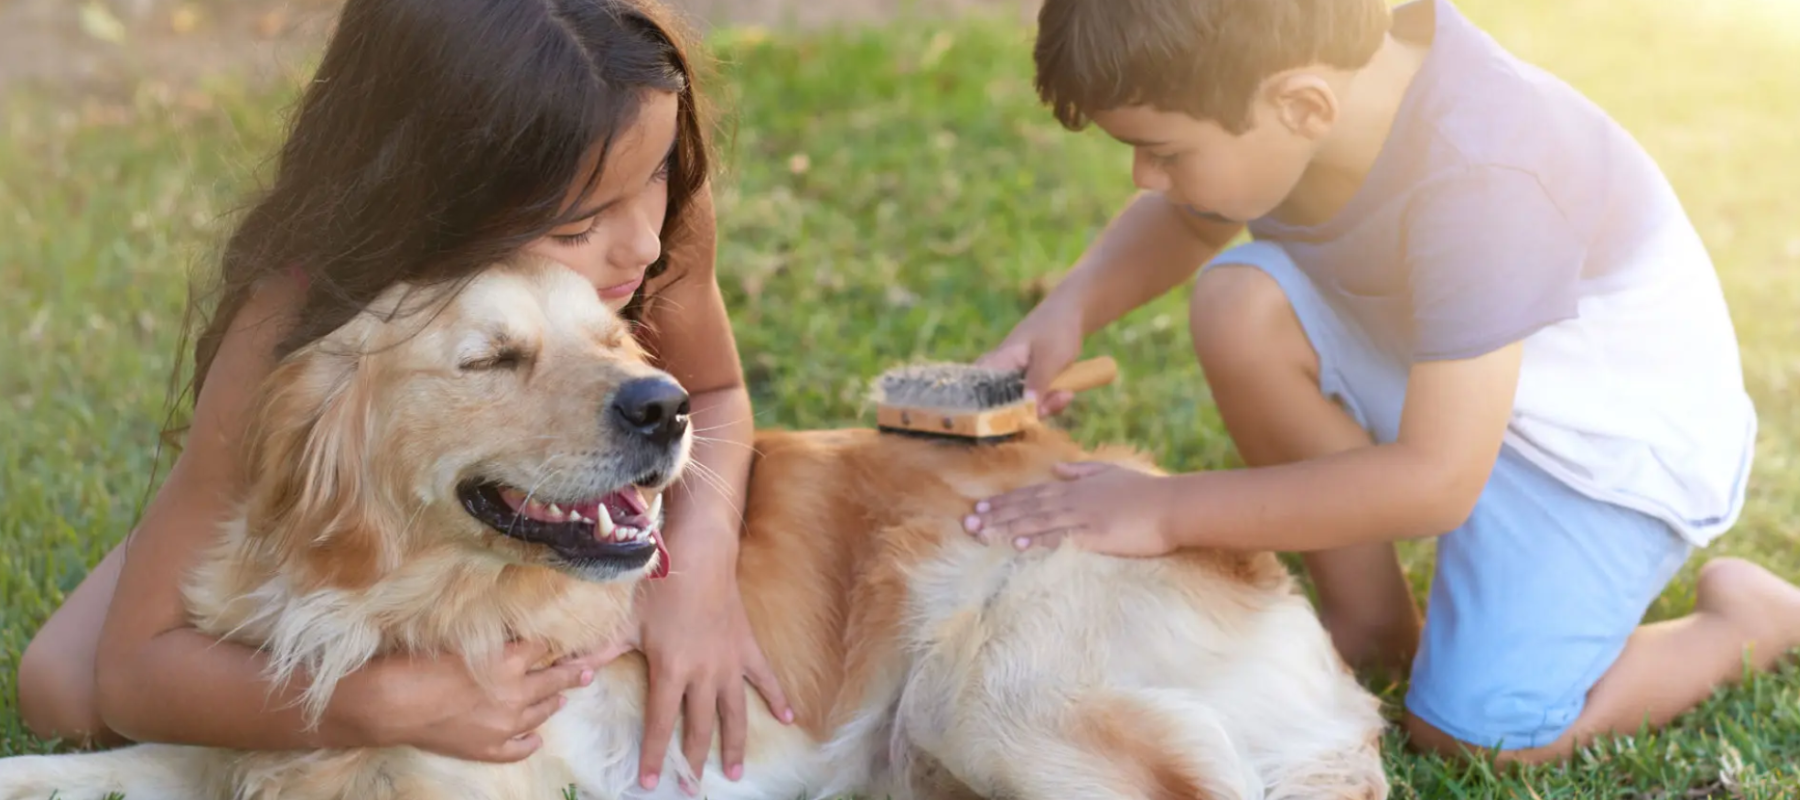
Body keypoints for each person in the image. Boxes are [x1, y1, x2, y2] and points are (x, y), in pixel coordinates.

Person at [964, 0, 1800, 765]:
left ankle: (1749, 621)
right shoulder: (1312, 75)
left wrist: (1161, 509)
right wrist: (1067, 311)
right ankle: (1371, 622)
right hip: (1463, 378)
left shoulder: (1482, 176)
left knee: (1480, 732)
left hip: (1601, 458)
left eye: (1164, 150)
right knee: (1241, 304)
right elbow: (1191, 216)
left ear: (1303, 109)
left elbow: (1437, 483)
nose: (1145, 175)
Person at [14, 0, 792, 791]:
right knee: (65, 691)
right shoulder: (302, 304)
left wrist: (694, 582)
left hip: (567, 427)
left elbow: (718, 388)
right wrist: (381, 702)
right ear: (444, 202)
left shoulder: (642, 209)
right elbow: (130, 681)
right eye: (578, 224)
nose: (643, 242)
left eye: (657, 172)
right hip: (358, 443)